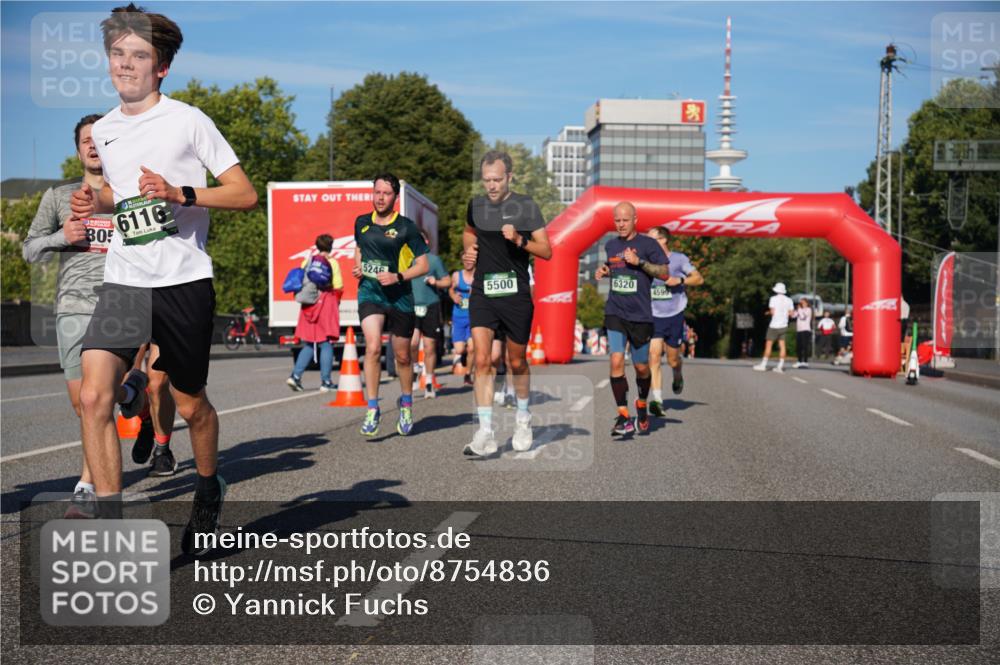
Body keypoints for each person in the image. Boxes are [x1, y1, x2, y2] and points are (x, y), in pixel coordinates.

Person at [70, 4, 258, 555]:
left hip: (183, 281)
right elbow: (122, 195)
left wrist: (181, 193)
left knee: (190, 403)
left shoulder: (188, 120)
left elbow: (244, 194)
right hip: (125, 280)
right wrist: (96, 200)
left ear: (162, 67)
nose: (125, 64)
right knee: (95, 395)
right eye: (117, 53)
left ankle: (208, 485)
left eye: (138, 55)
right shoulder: (106, 129)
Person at [462, 150, 551, 457]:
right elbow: (468, 233)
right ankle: (485, 432)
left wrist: (519, 240)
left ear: (509, 177)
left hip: (515, 295)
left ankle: (523, 419)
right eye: (486, 180)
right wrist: (469, 253)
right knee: (482, 359)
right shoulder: (476, 206)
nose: (491, 186)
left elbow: (547, 250)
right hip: (483, 292)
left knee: (516, 362)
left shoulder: (526, 206)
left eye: (497, 180)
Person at [351, 173, 429, 436]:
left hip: (399, 296)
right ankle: (372, 408)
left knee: (403, 357)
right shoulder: (361, 222)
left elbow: (423, 264)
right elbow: (359, 248)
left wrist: (398, 276)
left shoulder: (406, 227)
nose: (380, 198)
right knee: (373, 347)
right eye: (377, 192)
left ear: (395, 197)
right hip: (370, 292)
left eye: (386, 193)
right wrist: (359, 266)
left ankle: (406, 404)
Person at [595, 203, 669, 435]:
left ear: (635, 219)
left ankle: (642, 403)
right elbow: (615, 268)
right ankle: (623, 416)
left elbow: (665, 273)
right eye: (617, 220)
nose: (621, 224)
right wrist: (605, 271)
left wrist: (640, 263)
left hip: (641, 315)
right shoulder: (611, 245)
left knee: (641, 366)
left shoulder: (649, 244)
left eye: (625, 220)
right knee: (616, 360)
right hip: (615, 311)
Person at [644, 226, 703, 417]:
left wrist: (680, 281)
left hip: (674, 314)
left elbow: (698, 279)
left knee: (672, 359)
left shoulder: (679, 259)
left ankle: (677, 374)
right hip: (653, 315)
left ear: (663, 240)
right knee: (654, 356)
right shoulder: (645, 260)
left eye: (652, 239)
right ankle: (657, 400)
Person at [287, 234, 343, 392]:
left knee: (310, 342)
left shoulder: (307, 261)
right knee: (326, 342)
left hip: (308, 305)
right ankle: (326, 382)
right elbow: (338, 285)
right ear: (331, 246)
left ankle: (295, 376)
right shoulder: (332, 263)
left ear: (317, 246)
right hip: (325, 303)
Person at [409, 230, 451, 398]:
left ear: (426, 242)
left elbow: (447, 281)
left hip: (430, 306)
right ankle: (415, 367)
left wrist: (436, 282)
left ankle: (428, 382)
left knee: (429, 346)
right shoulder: (407, 261)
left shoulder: (434, 261)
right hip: (412, 307)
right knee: (412, 343)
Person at [753, 282, 795, 373]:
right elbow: (791, 313)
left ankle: (763, 364)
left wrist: (768, 313)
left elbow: (772, 312)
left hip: (774, 325)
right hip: (784, 325)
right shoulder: (789, 300)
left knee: (769, 345)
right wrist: (784, 314)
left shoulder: (773, 299)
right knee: (782, 345)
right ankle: (780, 366)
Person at [449, 265, 474, 384]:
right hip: (458, 316)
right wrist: (454, 296)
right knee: (459, 350)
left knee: (472, 348)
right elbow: (450, 290)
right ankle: (464, 355)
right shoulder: (456, 275)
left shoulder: (478, 274)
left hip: (473, 317)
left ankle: (468, 374)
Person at [793, 297, 813, 368]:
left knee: (805, 346)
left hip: (806, 330)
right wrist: (794, 311)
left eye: (803, 303)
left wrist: (799, 310)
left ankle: (805, 362)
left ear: (807, 303)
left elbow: (802, 317)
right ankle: (799, 361)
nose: (802, 304)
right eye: (801, 303)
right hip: (799, 330)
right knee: (799, 346)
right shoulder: (799, 309)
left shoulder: (808, 309)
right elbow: (793, 316)